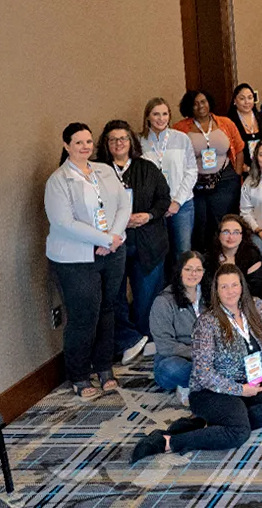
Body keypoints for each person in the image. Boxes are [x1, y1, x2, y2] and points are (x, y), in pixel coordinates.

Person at [131, 264, 262, 463]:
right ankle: (169, 441)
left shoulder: (257, 307)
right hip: (210, 391)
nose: (230, 291)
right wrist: (239, 390)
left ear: (242, 286)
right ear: (216, 291)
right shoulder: (208, 321)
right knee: (239, 433)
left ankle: (205, 425)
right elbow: (203, 374)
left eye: (234, 285)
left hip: (248, 383)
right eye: (224, 287)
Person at [97, 120, 169, 362]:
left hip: (148, 240)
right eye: (113, 139)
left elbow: (164, 200)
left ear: (132, 142)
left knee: (147, 293)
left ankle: (147, 338)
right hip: (112, 243)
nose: (119, 143)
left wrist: (147, 215)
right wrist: (116, 221)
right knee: (114, 294)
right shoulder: (97, 170)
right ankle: (128, 339)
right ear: (106, 144)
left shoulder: (147, 168)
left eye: (123, 138)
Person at [174, 90, 245, 252]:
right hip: (195, 183)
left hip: (225, 180)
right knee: (200, 222)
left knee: (220, 220)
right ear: (189, 107)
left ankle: (223, 255)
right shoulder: (180, 128)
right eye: (195, 103)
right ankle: (201, 260)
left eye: (203, 101)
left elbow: (239, 149)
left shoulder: (225, 123)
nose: (200, 106)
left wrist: (237, 173)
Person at [139, 97, 198, 257]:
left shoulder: (181, 138)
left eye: (165, 114)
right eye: (156, 114)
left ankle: (182, 283)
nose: (161, 118)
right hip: (152, 208)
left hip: (182, 205)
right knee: (158, 254)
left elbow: (191, 171)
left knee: (183, 252)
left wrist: (177, 202)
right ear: (147, 117)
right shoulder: (139, 142)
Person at [150, 251, 205, 403]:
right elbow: (165, 346)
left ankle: (199, 383)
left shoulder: (209, 297)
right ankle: (199, 383)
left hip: (205, 358)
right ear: (179, 270)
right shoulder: (163, 301)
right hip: (175, 359)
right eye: (188, 269)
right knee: (171, 368)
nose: (193, 274)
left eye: (198, 269)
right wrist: (200, 353)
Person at [210, 214, 262, 298]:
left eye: (236, 232)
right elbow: (208, 289)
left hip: (246, 303)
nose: (231, 237)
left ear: (242, 235)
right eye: (226, 232)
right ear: (219, 235)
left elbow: (255, 290)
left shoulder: (252, 256)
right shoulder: (210, 257)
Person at [227, 83, 262, 165]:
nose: (247, 102)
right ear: (234, 101)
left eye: (250, 98)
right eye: (242, 98)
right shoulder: (230, 122)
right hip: (242, 168)